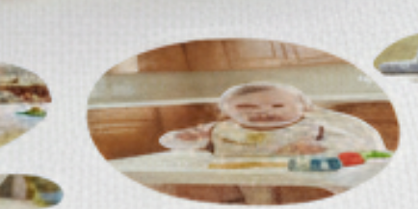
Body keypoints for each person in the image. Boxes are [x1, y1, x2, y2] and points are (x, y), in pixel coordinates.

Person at [159, 80, 386, 160]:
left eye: (278, 106)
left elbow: (359, 147)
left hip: (304, 177)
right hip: (250, 176)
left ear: (303, 108)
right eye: (245, 107)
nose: (263, 112)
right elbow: (171, 142)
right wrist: (187, 137)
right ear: (227, 111)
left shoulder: (312, 127)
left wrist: (321, 148)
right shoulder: (220, 129)